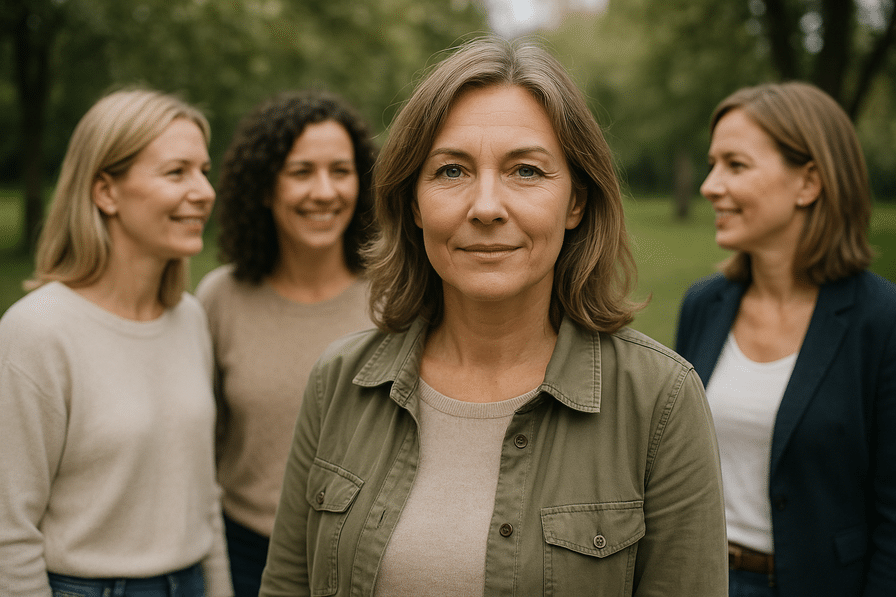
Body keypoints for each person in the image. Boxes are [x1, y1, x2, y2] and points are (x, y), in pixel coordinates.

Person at [258, 37, 727, 596]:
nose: (485, 206)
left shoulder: (660, 402)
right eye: (451, 171)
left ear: (576, 200)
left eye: (526, 171)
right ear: (413, 201)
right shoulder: (339, 381)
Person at [0, 89, 232, 596]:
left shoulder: (188, 317)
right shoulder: (37, 331)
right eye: (177, 172)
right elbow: (8, 532)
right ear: (105, 192)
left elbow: (201, 495)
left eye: (203, 170)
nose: (204, 191)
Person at [676, 82, 896, 596]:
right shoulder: (703, 305)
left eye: (735, 165)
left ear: (808, 183)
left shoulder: (881, 321)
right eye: (712, 164)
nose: (710, 185)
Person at [195, 90, 376, 597]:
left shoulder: (397, 300)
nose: (324, 191)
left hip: (366, 557)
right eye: (301, 172)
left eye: (340, 171)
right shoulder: (221, 298)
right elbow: (200, 447)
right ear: (264, 188)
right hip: (245, 554)